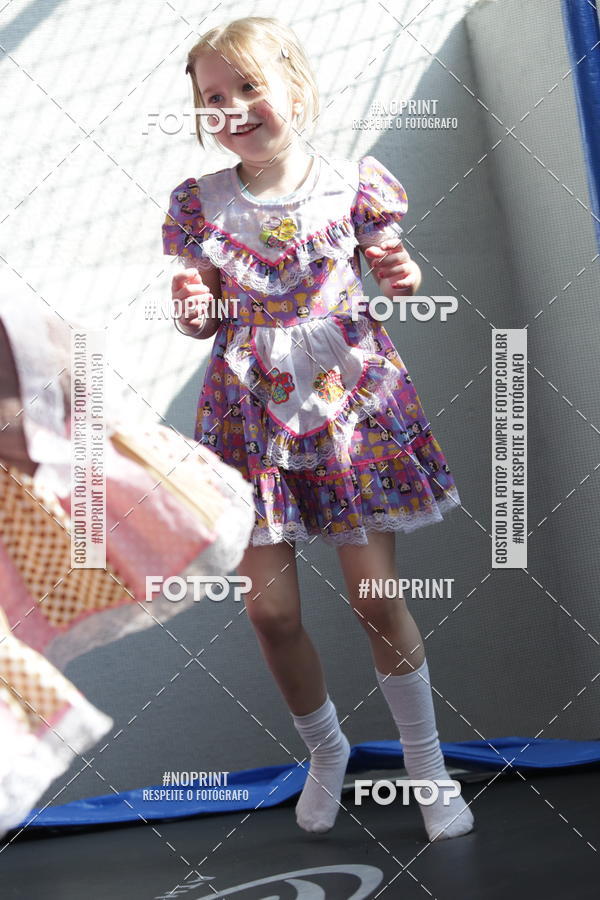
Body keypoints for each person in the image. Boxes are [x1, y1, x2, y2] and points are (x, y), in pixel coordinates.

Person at [162, 15, 474, 842]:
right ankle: (327, 750)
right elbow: (200, 312)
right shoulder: (199, 206)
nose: (232, 107)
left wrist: (404, 273)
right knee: (270, 613)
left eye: (249, 86)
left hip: (349, 406)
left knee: (375, 598)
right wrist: (192, 307)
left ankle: (426, 764)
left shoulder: (353, 184)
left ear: (295, 88)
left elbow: (397, 272)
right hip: (247, 414)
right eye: (214, 97)